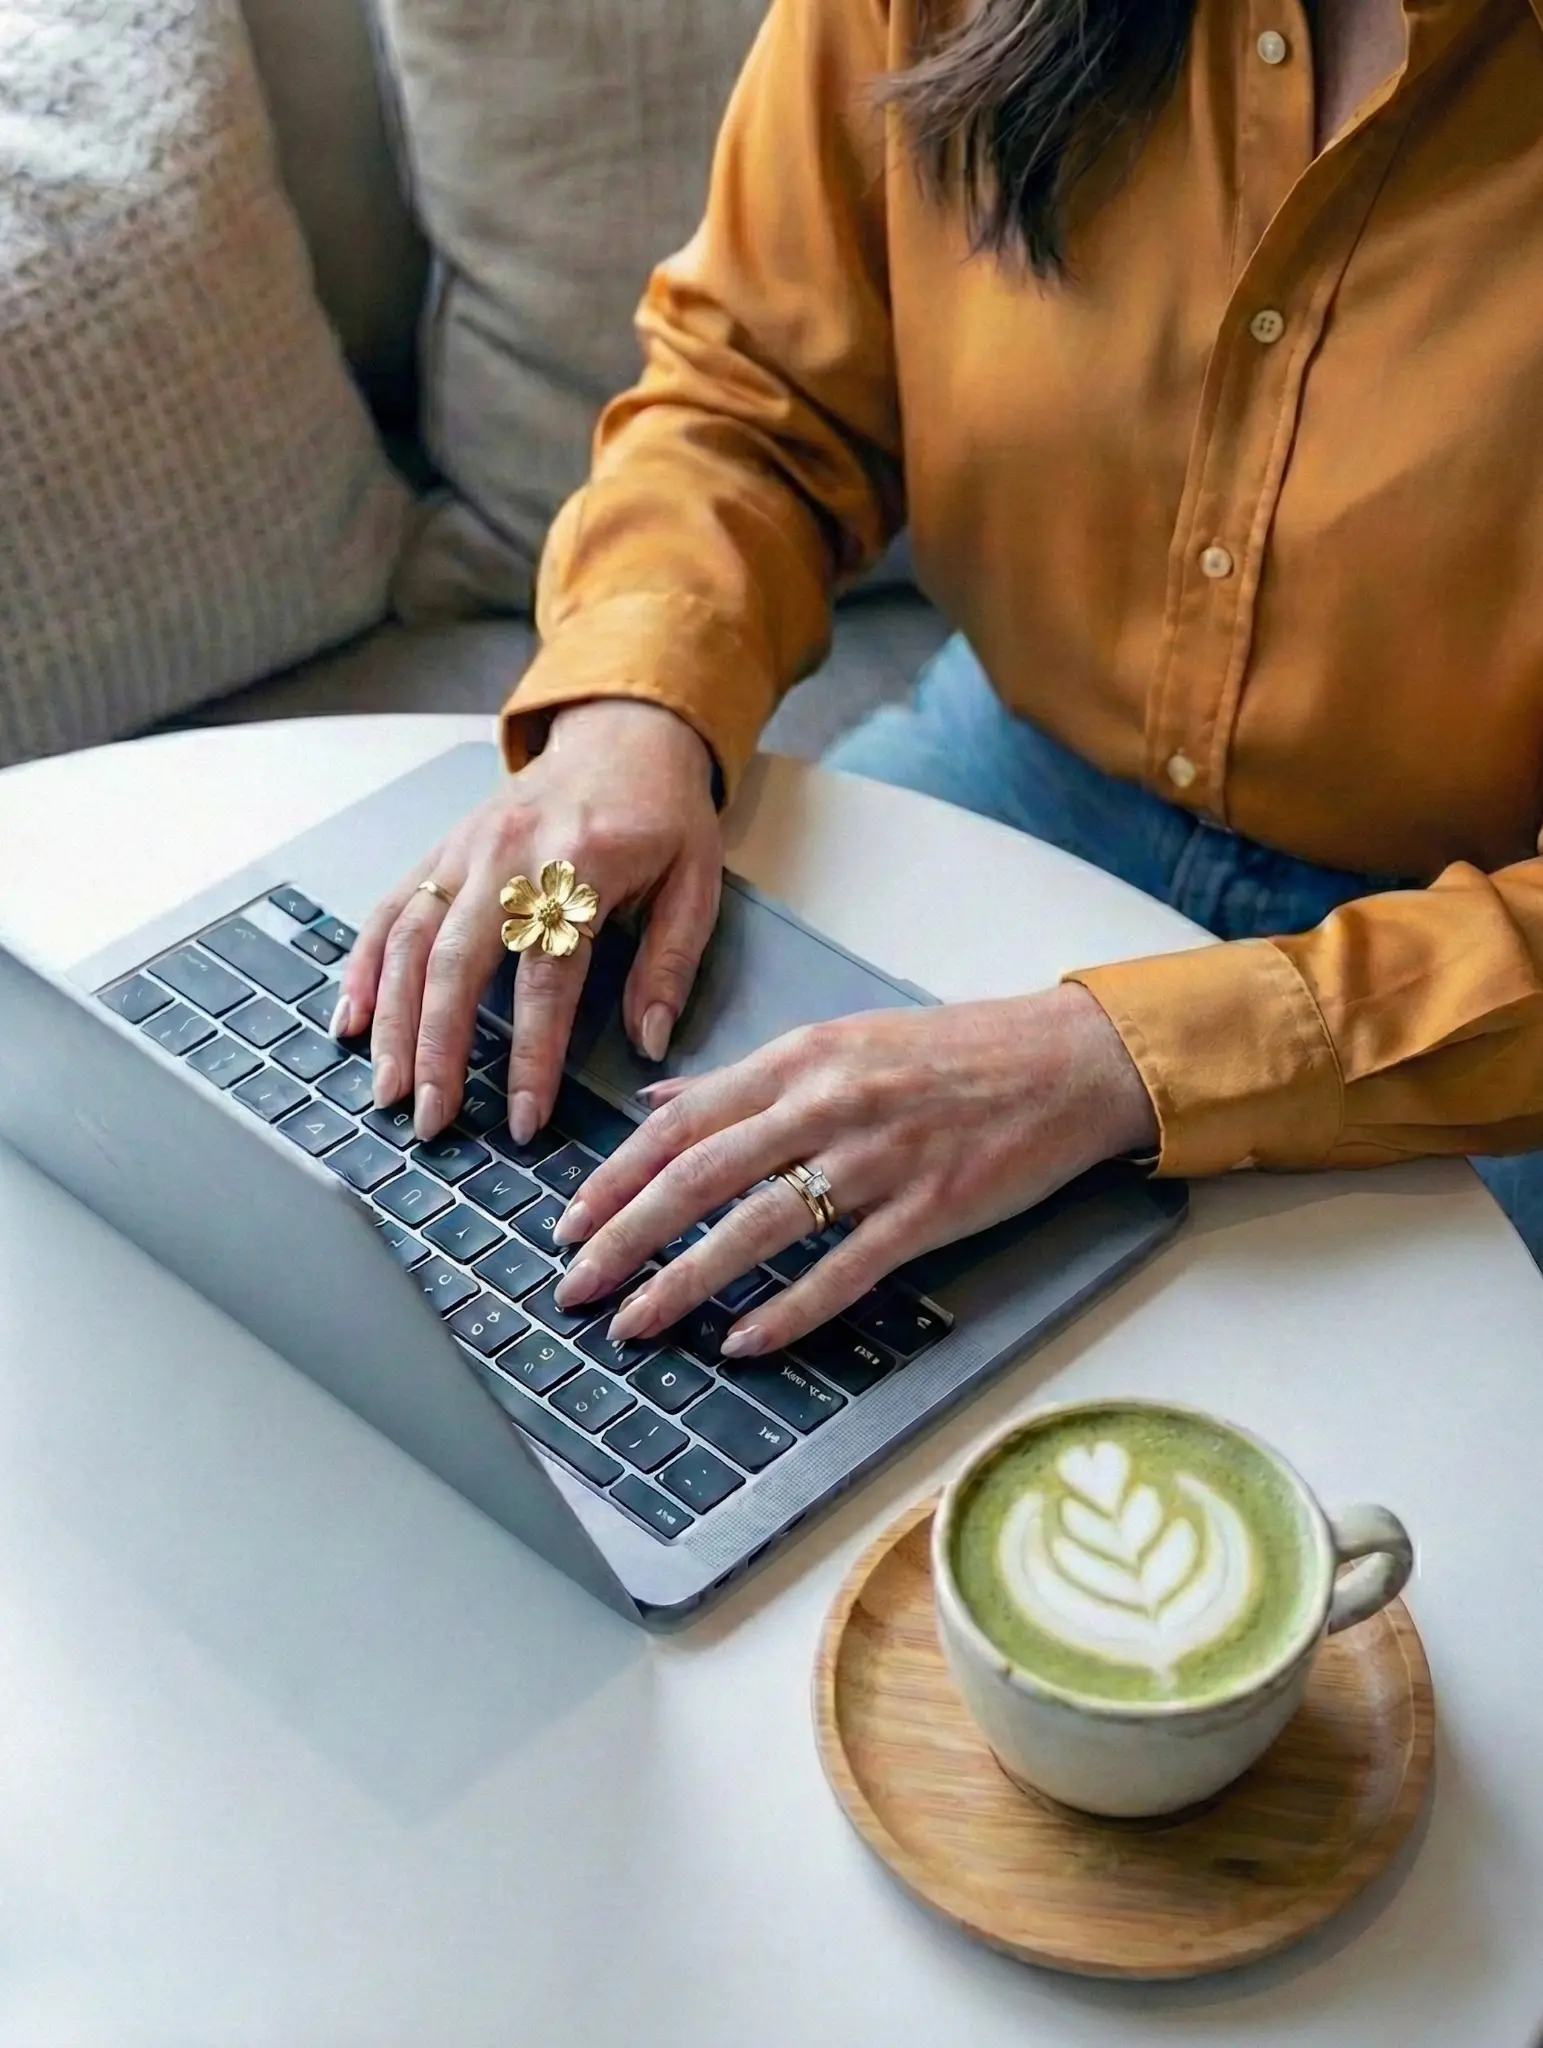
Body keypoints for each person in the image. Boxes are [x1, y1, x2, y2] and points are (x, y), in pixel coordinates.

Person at [339, 0, 1543, 1365]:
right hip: (1020, 760)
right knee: (546, 1221)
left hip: (1482, 960)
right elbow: (754, 391)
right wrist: (628, 718)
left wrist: (1104, 1062)